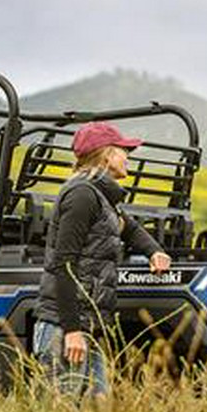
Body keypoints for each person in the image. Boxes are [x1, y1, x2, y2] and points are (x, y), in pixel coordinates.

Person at [33, 121, 172, 397]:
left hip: (89, 327)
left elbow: (128, 227)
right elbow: (64, 265)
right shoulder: (82, 195)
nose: (128, 157)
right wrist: (72, 329)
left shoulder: (103, 199)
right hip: (65, 329)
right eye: (124, 151)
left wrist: (154, 251)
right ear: (107, 155)